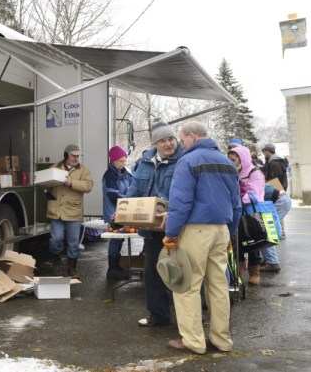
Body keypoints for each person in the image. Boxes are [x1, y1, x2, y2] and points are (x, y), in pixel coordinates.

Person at [165, 121, 241, 354]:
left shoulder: (187, 161)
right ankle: (221, 340)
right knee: (218, 285)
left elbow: (181, 202)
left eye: (182, 139)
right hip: (221, 229)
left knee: (187, 285)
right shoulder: (227, 163)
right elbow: (236, 204)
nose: (181, 144)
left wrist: (170, 234)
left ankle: (193, 341)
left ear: (192, 137)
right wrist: (231, 232)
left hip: (195, 229)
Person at [120, 117, 183, 327]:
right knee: (153, 274)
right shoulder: (145, 162)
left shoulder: (184, 160)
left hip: (178, 226)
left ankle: (190, 319)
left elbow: (186, 193)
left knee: (184, 272)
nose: (168, 144)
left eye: (171, 139)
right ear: (155, 144)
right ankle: (159, 316)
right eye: (162, 140)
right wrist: (123, 210)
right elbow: (135, 189)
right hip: (153, 230)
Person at [45, 144, 93, 279]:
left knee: (73, 243)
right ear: (66, 154)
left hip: (73, 211)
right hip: (57, 211)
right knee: (56, 239)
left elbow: (88, 186)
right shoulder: (54, 167)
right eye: (73, 155)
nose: (76, 158)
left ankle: (72, 268)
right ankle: (56, 262)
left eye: (78, 156)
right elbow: (45, 184)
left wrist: (71, 182)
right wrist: (39, 181)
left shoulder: (84, 170)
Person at [227, 145, 265, 285]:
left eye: (233, 159)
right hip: (236, 212)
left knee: (253, 242)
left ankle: (254, 272)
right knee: (238, 244)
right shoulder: (232, 172)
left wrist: (239, 199)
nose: (231, 162)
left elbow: (255, 193)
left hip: (250, 212)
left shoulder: (255, 172)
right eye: (229, 159)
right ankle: (239, 273)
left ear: (242, 159)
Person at [103, 146, 133, 280]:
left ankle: (116, 267)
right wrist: (129, 201)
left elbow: (133, 185)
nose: (123, 164)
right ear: (113, 161)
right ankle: (112, 269)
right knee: (116, 239)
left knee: (120, 238)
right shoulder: (110, 175)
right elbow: (112, 196)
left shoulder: (124, 172)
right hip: (113, 212)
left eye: (125, 161)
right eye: (121, 161)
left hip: (123, 211)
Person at [260, 183, 292, 272]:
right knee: (265, 230)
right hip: (281, 199)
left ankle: (272, 262)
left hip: (280, 201)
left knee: (265, 231)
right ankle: (269, 260)